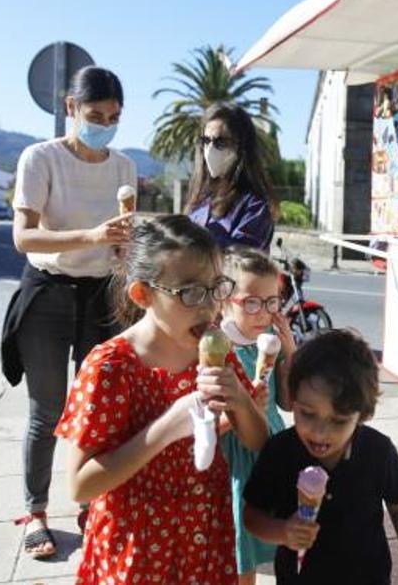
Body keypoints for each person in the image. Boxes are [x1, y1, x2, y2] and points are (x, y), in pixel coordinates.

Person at [56, 215, 269, 583]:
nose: (209, 308)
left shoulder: (218, 350)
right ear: (143, 294)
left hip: (204, 537)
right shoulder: (111, 367)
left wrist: (240, 400)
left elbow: (258, 441)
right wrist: (167, 428)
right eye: (190, 293)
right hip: (137, 549)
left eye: (216, 288)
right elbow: (80, 485)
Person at [0, 66, 137, 558]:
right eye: (95, 114)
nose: (105, 123)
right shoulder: (40, 159)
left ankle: (91, 501)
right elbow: (24, 237)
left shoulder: (123, 166)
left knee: (98, 410)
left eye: (115, 116)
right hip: (47, 295)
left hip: (101, 296)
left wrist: (129, 255)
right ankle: (35, 511)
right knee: (48, 409)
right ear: (70, 109)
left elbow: (122, 242)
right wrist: (92, 236)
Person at [243, 330, 398, 585]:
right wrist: (282, 532)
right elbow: (252, 516)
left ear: (362, 415)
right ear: (292, 398)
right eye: (307, 413)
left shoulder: (377, 452)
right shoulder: (280, 452)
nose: (320, 433)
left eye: (339, 421)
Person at [218, 246, 299, 585]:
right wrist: (244, 405)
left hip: (271, 451)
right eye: (251, 302)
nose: (263, 313)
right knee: (241, 547)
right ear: (225, 299)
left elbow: (289, 403)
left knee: (280, 540)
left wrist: (290, 350)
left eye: (272, 301)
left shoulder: (270, 341)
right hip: (234, 459)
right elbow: (208, 426)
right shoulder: (218, 348)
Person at [187, 102, 276, 251]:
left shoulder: (255, 208)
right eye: (206, 141)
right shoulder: (201, 203)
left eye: (220, 142)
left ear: (241, 147)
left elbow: (242, 261)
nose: (210, 150)